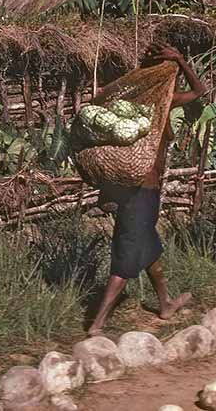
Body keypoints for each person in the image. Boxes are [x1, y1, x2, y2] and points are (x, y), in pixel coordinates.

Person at [79, 44, 206, 334]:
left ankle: (165, 304)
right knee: (127, 257)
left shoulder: (133, 101)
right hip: (142, 192)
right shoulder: (159, 103)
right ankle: (97, 322)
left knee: (149, 247)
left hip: (132, 190)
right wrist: (181, 60)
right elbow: (200, 91)